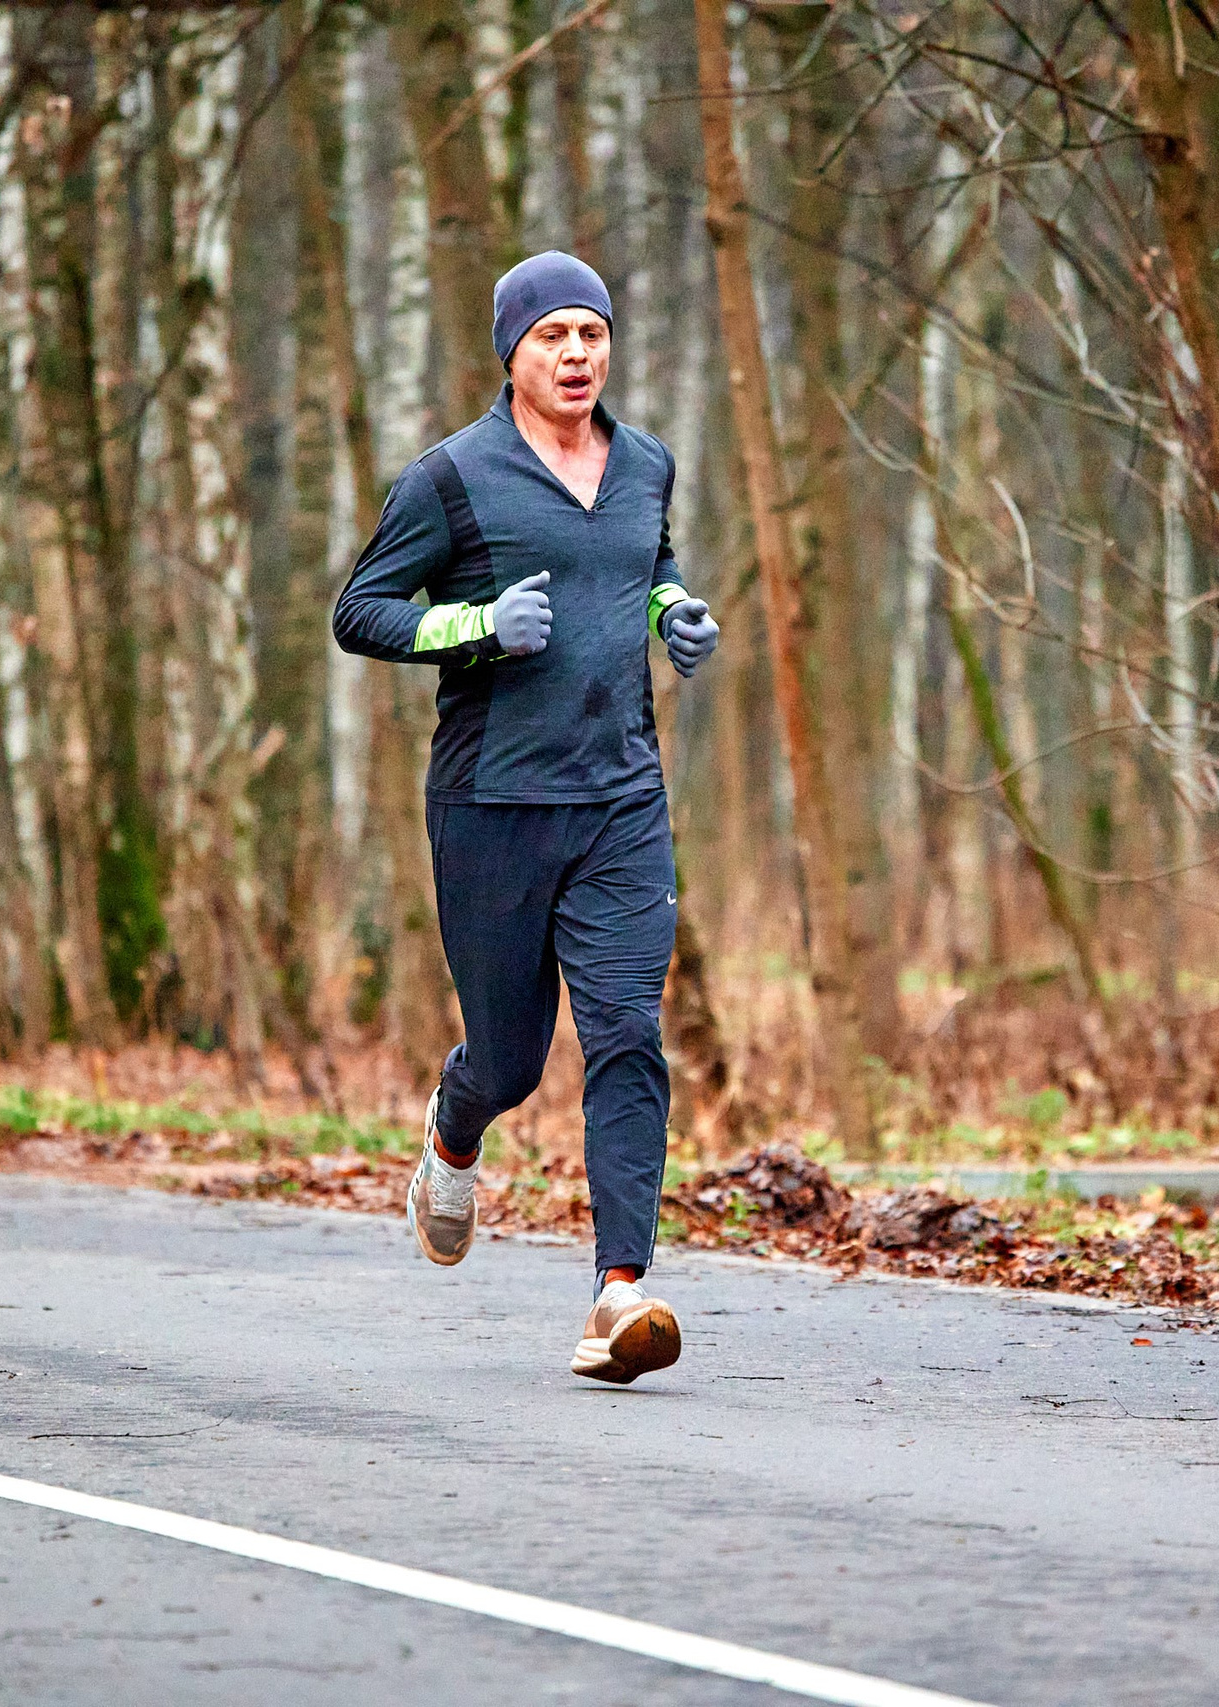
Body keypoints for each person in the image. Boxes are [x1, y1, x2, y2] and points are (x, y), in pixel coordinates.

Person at [331, 251, 721, 1384]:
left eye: (591, 334)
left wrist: (674, 610)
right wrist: (471, 627)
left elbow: (643, 567)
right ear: (512, 352)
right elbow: (361, 611)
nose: (576, 355)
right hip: (492, 805)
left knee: (626, 1037)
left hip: (620, 802)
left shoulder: (645, 462)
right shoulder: (451, 478)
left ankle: (620, 1295)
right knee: (512, 1060)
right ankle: (455, 1126)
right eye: (551, 336)